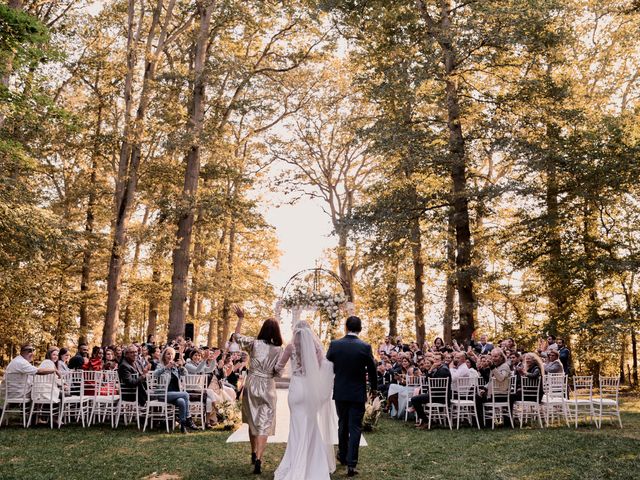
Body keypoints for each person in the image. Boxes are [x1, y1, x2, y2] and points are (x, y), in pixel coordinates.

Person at [274, 320, 336, 480]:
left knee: (295, 427)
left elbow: (278, 368)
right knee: (311, 425)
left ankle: (295, 463)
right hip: (309, 390)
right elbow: (325, 367)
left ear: (296, 332)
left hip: (296, 389)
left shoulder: (290, 347)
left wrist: (276, 371)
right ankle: (312, 464)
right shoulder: (316, 348)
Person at [233, 305, 284, 475]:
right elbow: (278, 372)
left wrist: (240, 319)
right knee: (265, 422)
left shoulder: (254, 344)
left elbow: (236, 337)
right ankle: (260, 458)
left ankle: (253, 453)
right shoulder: (279, 349)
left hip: (252, 382)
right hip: (268, 385)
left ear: (263, 330)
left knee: (252, 419)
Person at [326, 316, 377, 478]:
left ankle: (342, 455)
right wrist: (374, 389)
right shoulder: (365, 347)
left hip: (340, 392)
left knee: (343, 425)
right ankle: (351, 464)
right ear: (360, 328)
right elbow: (373, 370)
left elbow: (327, 367)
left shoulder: (335, 345)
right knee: (355, 427)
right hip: (357, 392)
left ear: (346, 327)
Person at [153, 347, 198, 433]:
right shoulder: (160, 365)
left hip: (175, 394)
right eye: (168, 354)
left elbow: (185, 374)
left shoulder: (174, 367)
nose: (170, 356)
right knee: (185, 394)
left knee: (181, 401)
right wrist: (166, 367)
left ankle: (183, 426)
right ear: (164, 355)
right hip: (163, 394)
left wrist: (181, 366)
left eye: (172, 354)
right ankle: (189, 418)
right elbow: (155, 374)